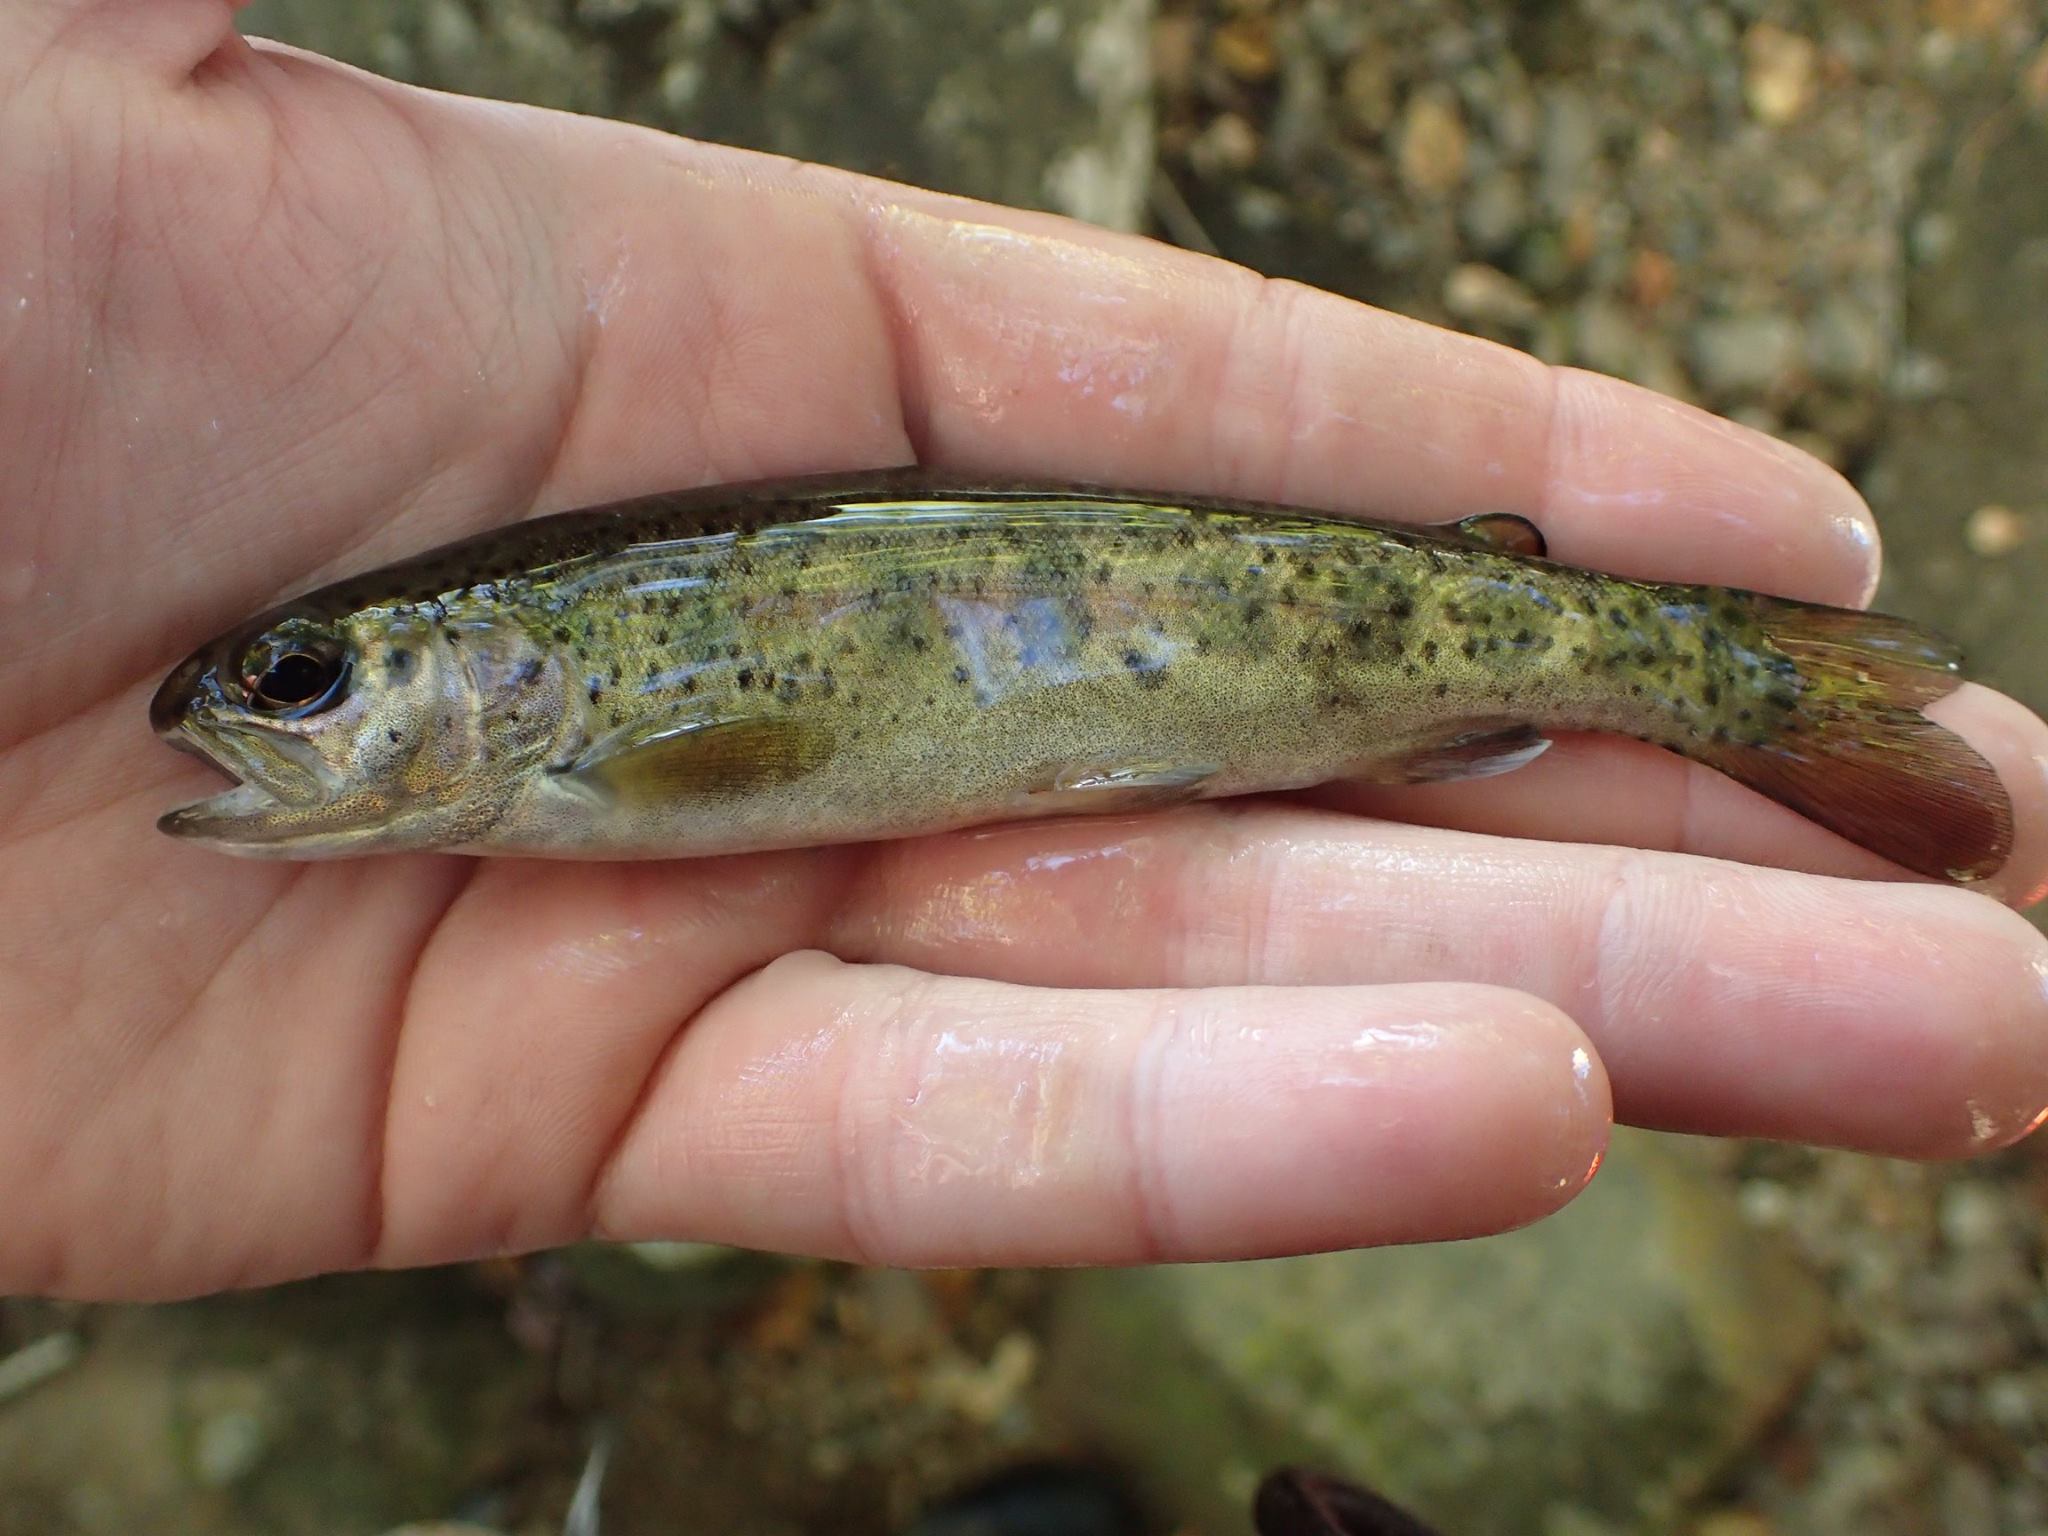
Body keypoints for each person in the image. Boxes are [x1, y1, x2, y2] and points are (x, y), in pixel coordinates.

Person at [4, 0, 2045, 1304]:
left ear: (486, 670)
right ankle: (1718, 669)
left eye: (305, 686)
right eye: (297, 689)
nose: (257, 720)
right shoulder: (549, 739)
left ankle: (1713, 670)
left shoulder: (587, 756)